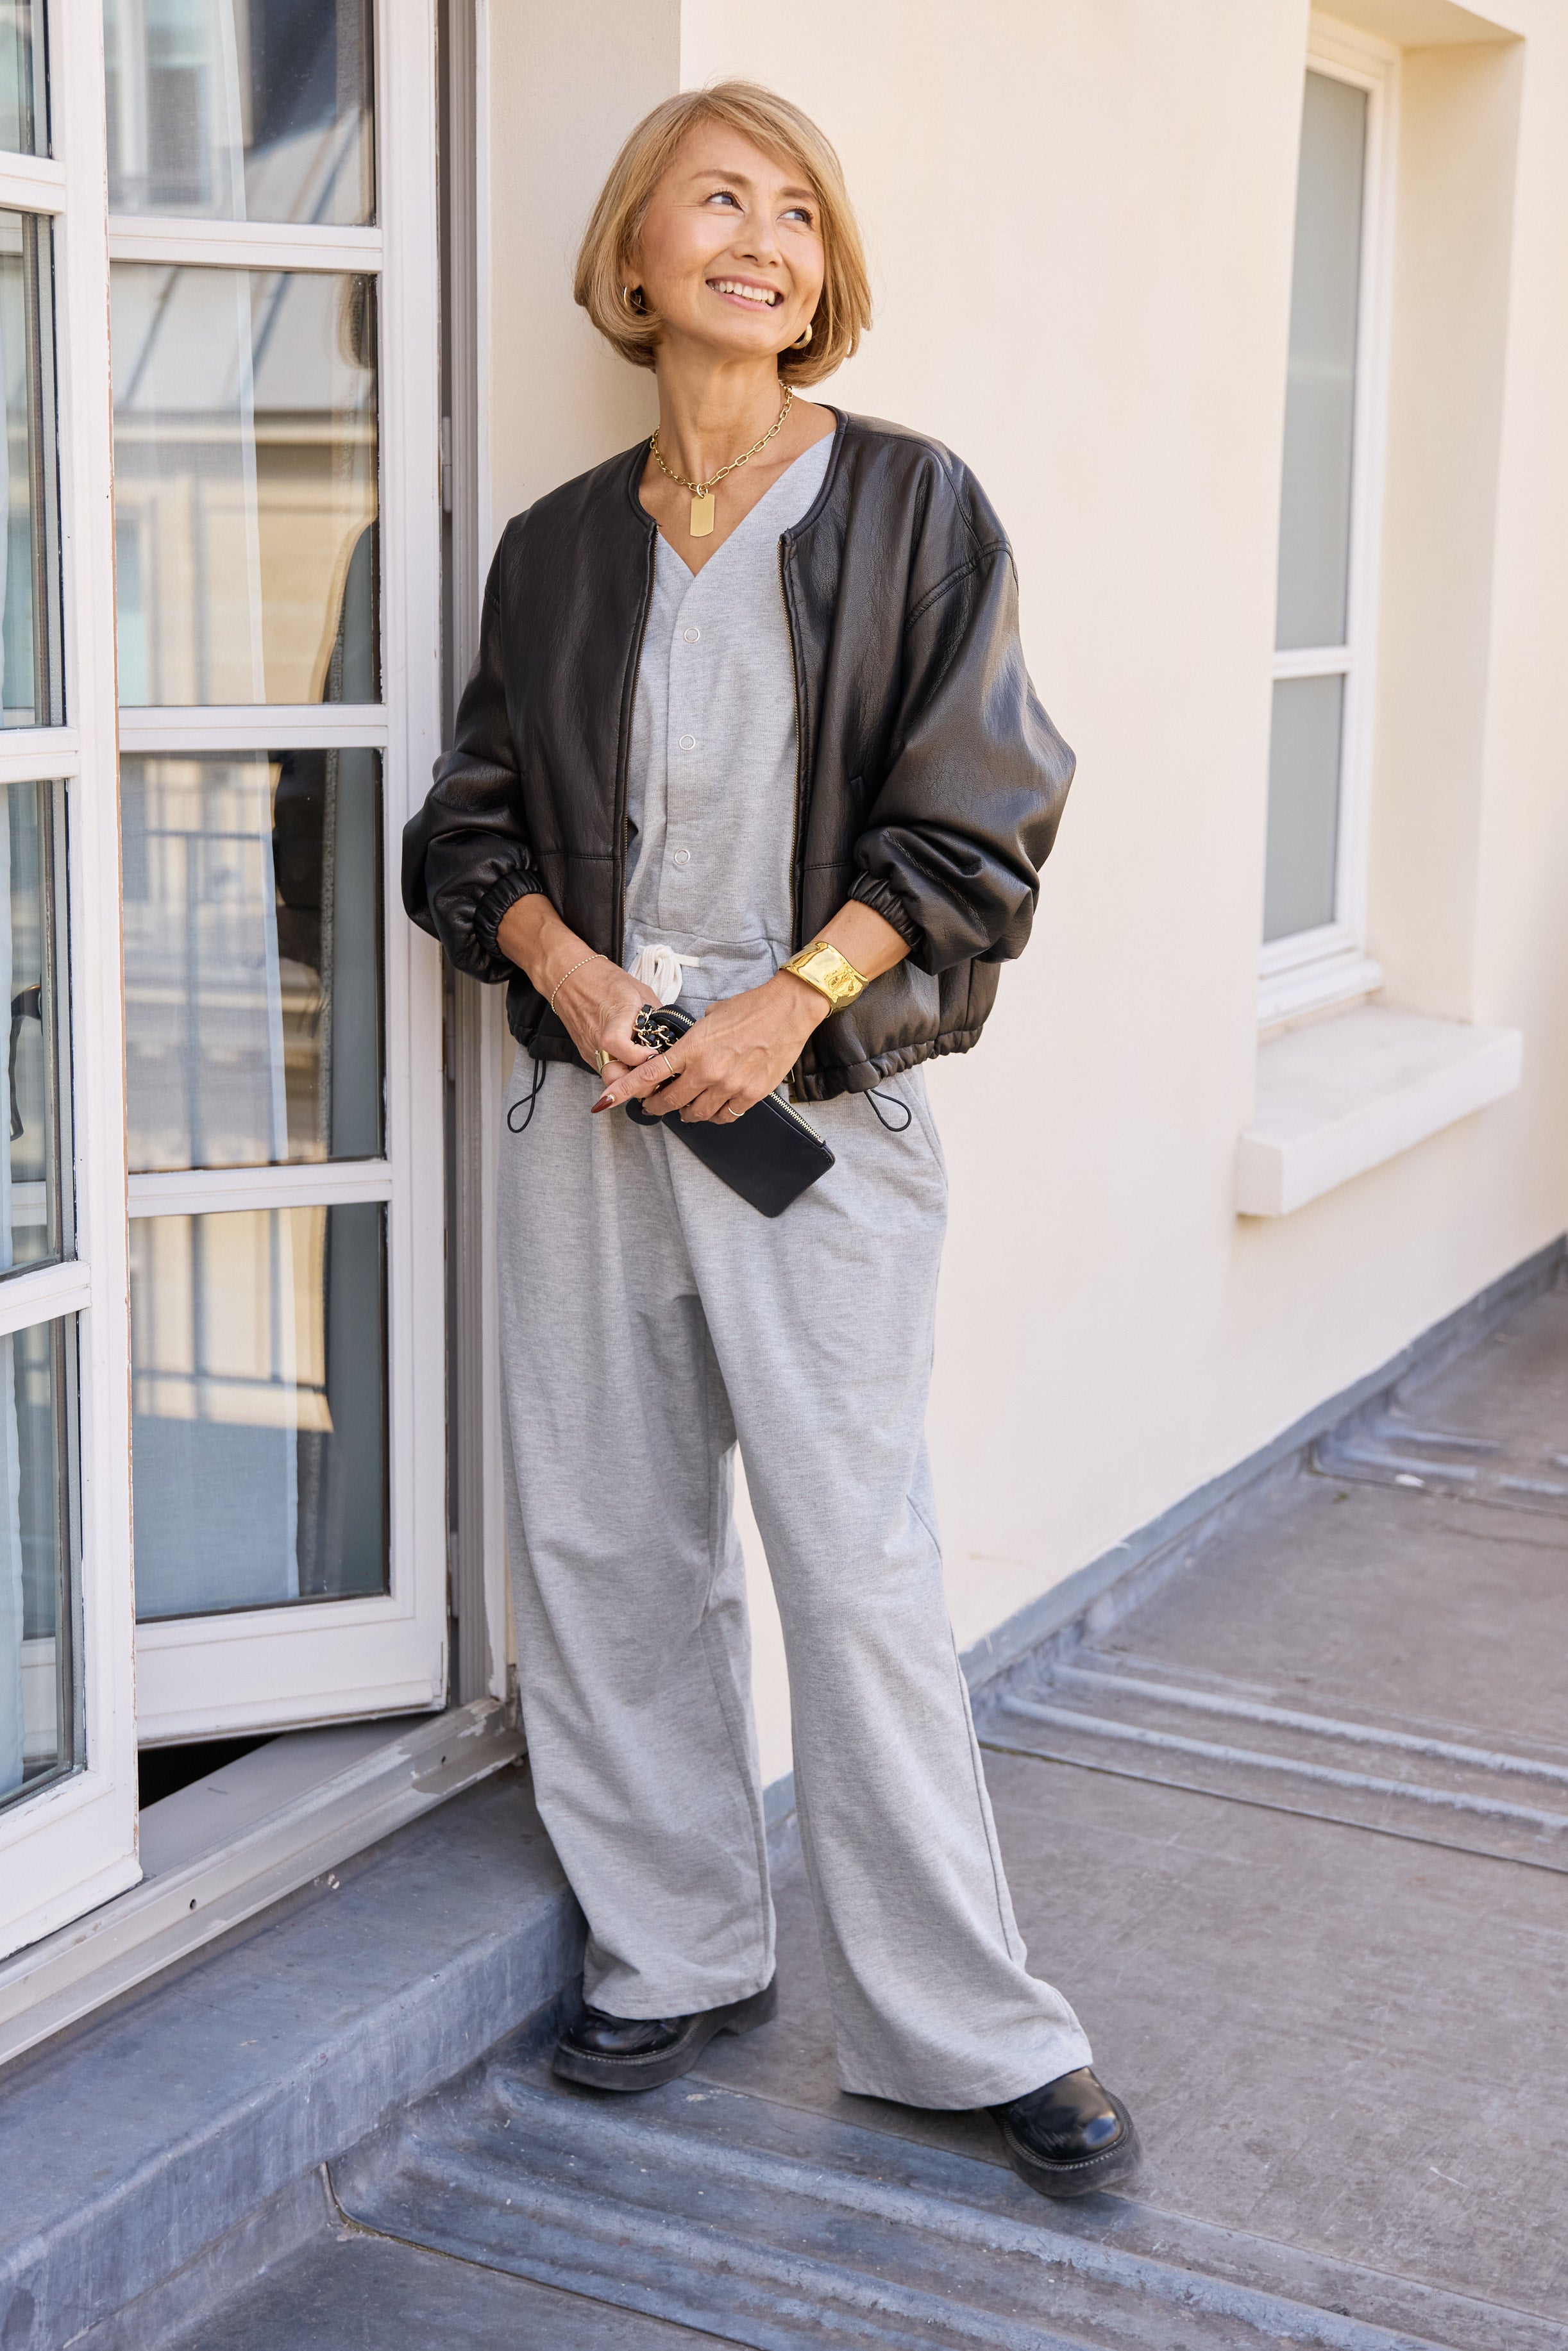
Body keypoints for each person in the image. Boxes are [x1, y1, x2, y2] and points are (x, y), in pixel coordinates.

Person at [402, 81, 1139, 2201]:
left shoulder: (914, 507)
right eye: (719, 200)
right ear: (634, 255)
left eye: (799, 213)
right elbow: (466, 831)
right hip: (589, 1108)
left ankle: (965, 2023)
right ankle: (677, 1949)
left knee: (858, 1560)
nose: (764, 240)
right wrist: (565, 968)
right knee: (606, 1544)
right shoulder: (557, 548)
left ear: (825, 277)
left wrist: (782, 1001)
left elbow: (982, 823)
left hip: (806, 1109)